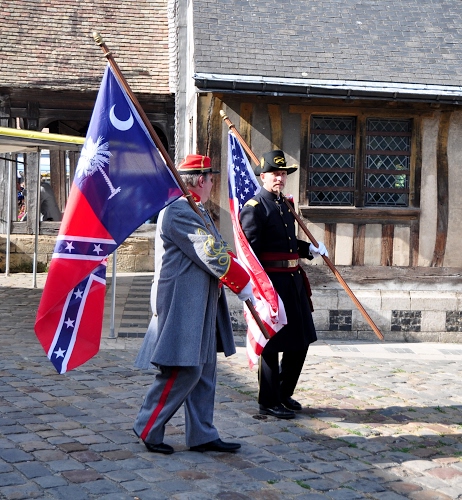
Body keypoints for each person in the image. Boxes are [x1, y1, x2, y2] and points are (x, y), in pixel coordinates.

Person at [133, 154, 255, 454]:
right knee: (182, 368)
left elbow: (218, 248)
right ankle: (148, 426)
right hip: (183, 302)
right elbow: (211, 251)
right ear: (201, 180)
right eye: (211, 179)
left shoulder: (194, 207)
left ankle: (202, 434)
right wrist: (243, 283)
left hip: (202, 300)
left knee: (205, 369)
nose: (213, 184)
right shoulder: (179, 209)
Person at [239, 150, 328, 419]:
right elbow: (250, 254)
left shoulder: (284, 205)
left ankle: (283, 391)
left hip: (293, 281)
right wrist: (258, 292)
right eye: (274, 174)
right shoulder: (254, 208)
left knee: (301, 340)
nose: (279, 178)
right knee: (271, 343)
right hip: (272, 286)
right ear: (263, 177)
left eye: (282, 174)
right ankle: (268, 400)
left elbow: (288, 244)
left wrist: (308, 249)